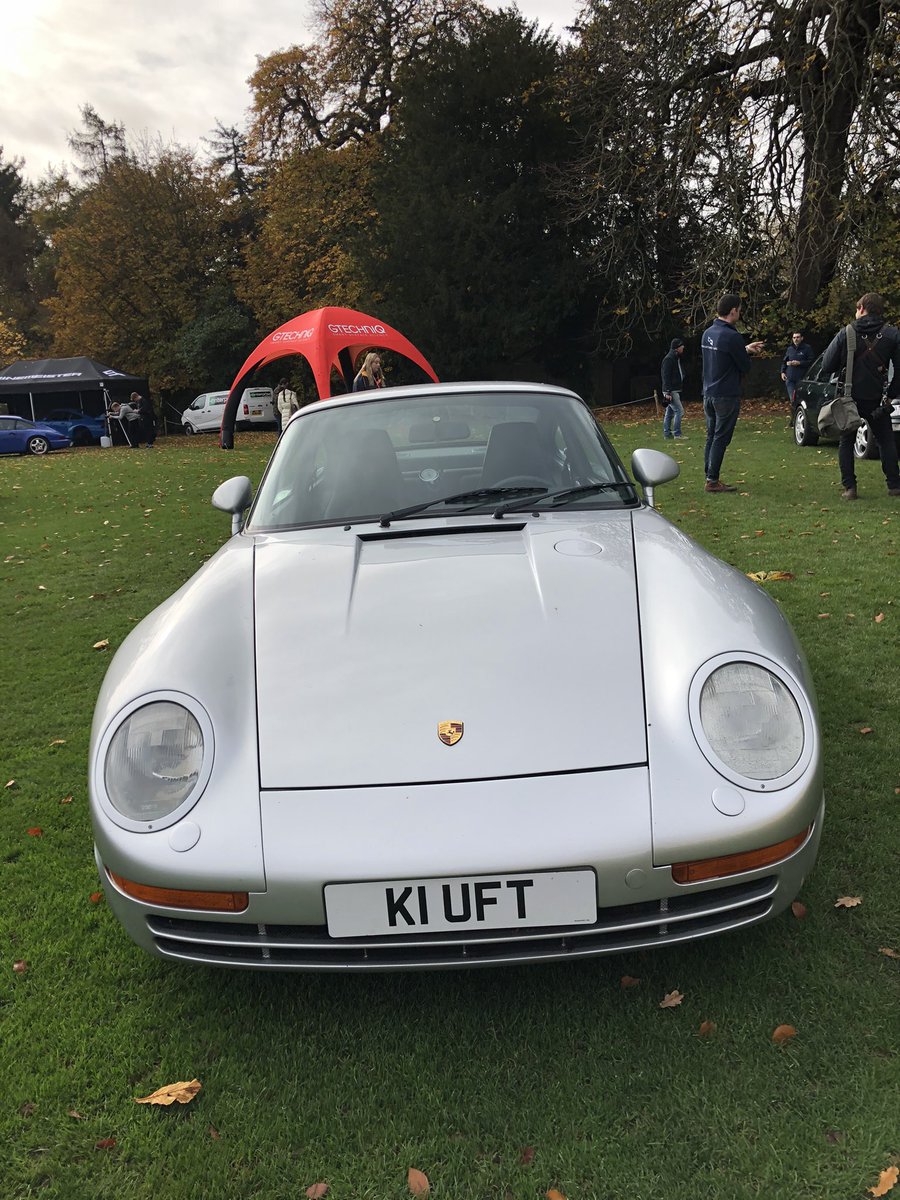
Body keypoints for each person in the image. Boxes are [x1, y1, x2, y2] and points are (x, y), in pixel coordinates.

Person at [820, 292, 900, 501]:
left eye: (857, 308)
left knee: (846, 442)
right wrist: (891, 395)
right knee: (886, 441)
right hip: (878, 399)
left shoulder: (846, 333)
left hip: (850, 398)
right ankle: (894, 485)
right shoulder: (892, 334)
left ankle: (850, 488)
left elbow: (827, 365)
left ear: (862, 308)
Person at [700, 293, 765, 493]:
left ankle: (709, 473)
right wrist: (747, 352)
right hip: (726, 395)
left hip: (708, 393)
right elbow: (744, 366)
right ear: (733, 311)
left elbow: (724, 355)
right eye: (739, 309)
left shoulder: (708, 333)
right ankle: (712, 480)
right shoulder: (732, 336)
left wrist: (744, 348)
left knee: (711, 435)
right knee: (721, 437)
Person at [781, 331, 814, 417]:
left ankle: (799, 418)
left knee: (800, 400)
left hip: (801, 378)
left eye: (798, 337)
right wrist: (782, 372)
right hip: (790, 379)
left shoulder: (807, 348)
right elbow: (784, 362)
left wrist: (799, 363)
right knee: (793, 399)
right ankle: (793, 419)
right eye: (794, 337)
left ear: (801, 338)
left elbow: (811, 362)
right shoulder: (790, 349)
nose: (796, 339)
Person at [660, 338, 687, 439]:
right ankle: (677, 434)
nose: (683, 347)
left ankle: (667, 433)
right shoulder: (669, 359)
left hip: (672, 389)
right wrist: (667, 392)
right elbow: (665, 376)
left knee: (669, 412)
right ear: (677, 348)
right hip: (671, 390)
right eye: (681, 346)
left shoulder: (676, 358)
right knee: (679, 411)